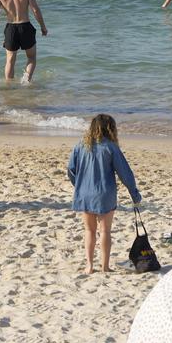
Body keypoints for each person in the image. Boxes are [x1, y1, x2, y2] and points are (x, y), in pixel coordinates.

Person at [67, 114, 141, 274]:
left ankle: (89, 266)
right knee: (105, 231)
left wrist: (78, 185)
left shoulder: (80, 145)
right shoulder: (111, 147)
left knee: (89, 231)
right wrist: (134, 194)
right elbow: (125, 173)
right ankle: (105, 267)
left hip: (85, 193)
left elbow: (71, 170)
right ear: (110, 129)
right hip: (105, 193)